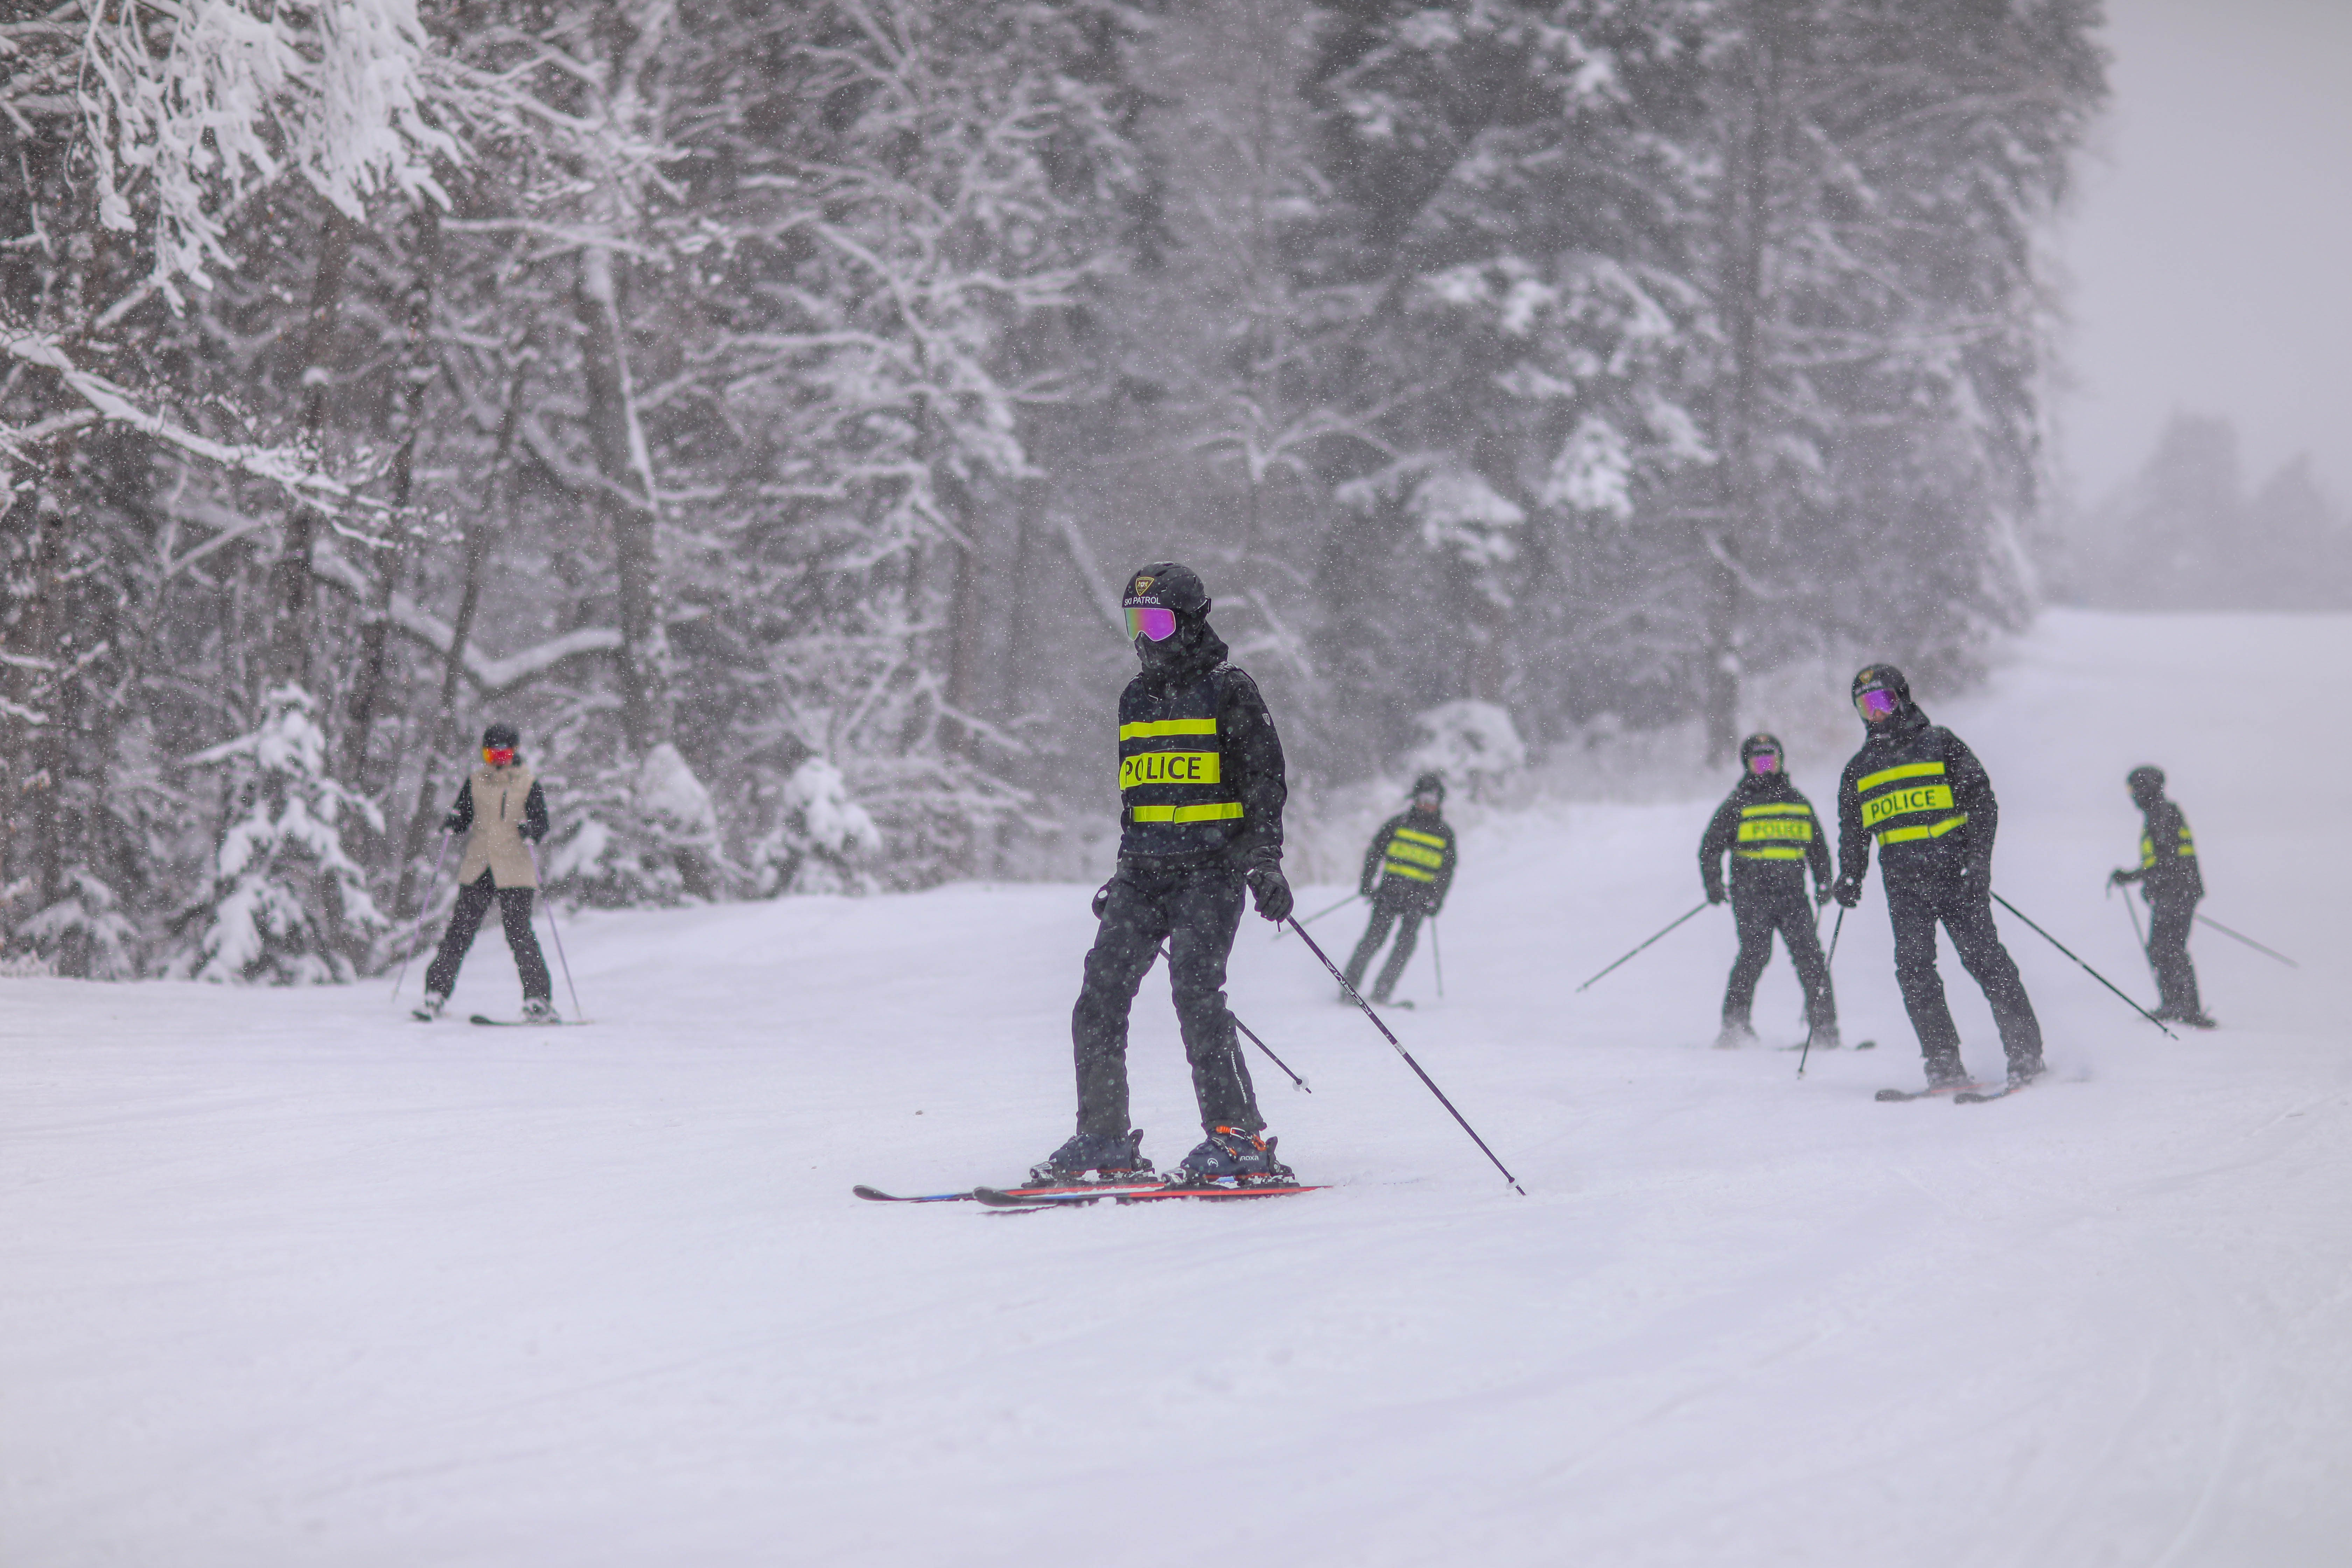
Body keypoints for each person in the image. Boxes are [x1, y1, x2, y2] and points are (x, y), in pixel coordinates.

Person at [1030, 564, 1295, 1185]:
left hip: (1211, 871)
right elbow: (1139, 795)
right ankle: (1104, 1137)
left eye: (1156, 622)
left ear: (1192, 622)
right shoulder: (1136, 698)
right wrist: (1124, 869)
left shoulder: (1230, 690)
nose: (1145, 638)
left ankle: (1239, 1140)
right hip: (1143, 875)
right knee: (1099, 996)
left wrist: (1264, 861)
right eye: (1134, 623)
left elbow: (1265, 783)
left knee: (1196, 992)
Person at [1832, 664, 2044, 1092]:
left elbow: (1983, 803)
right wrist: (1850, 875)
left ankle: (2026, 1055)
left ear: (1903, 698)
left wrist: (1979, 861)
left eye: (1883, 702)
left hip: (1956, 877)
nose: (1876, 714)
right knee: (1914, 972)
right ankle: (1943, 1064)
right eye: (1866, 706)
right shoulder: (1858, 770)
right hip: (1904, 887)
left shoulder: (1940, 743)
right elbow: (1853, 831)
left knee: (1987, 962)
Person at [1698, 732, 1839, 1049]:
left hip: (1793, 897)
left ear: (1781, 761)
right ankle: (1734, 1028)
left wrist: (1824, 881)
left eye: (1771, 761)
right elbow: (1711, 846)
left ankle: (1826, 1030)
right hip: (1751, 896)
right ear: (1747, 766)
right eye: (1758, 762)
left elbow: (1818, 847)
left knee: (1811, 959)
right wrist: (1713, 883)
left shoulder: (1798, 802)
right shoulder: (1738, 803)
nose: (1766, 768)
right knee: (1755, 955)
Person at [413, 722, 556, 1022]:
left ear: (515, 752)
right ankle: (435, 994)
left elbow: (542, 821)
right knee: (459, 933)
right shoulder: (476, 781)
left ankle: (538, 1000)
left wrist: (532, 830)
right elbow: (463, 815)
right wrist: (453, 821)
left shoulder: (528, 782)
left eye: (502, 753)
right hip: (479, 866)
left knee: (519, 934)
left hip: (515, 867)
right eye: (490, 753)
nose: (496, 759)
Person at [2109, 765, 2214, 1027]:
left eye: (2134, 789)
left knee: (2170, 948)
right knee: (2161, 948)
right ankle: (2175, 1004)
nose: (2132, 795)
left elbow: (2168, 861)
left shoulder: (2162, 814)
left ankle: (2188, 1009)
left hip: (2178, 891)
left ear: (2146, 789)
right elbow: (2159, 862)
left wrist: (2144, 881)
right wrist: (2140, 880)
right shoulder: (2160, 813)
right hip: (2177, 890)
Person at [1341, 772, 1458, 1005]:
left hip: (1419, 901)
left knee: (1405, 945)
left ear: (1440, 803)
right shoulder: (1398, 824)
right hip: (1389, 894)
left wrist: (1437, 899)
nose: (1427, 804)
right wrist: (1367, 882)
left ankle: (1382, 992)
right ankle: (1348, 989)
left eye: (1433, 800)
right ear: (1414, 798)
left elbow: (1446, 872)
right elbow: (1375, 852)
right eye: (1424, 798)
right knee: (1374, 940)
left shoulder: (1445, 835)